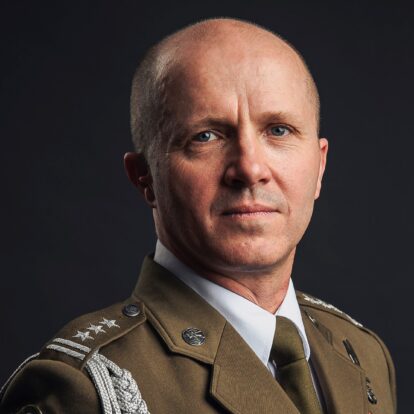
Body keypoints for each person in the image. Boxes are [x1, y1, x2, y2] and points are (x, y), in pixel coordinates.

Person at [0, 17, 396, 414]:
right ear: (145, 177)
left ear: (319, 167)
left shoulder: (363, 354)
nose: (250, 168)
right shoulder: (83, 391)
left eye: (278, 130)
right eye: (206, 136)